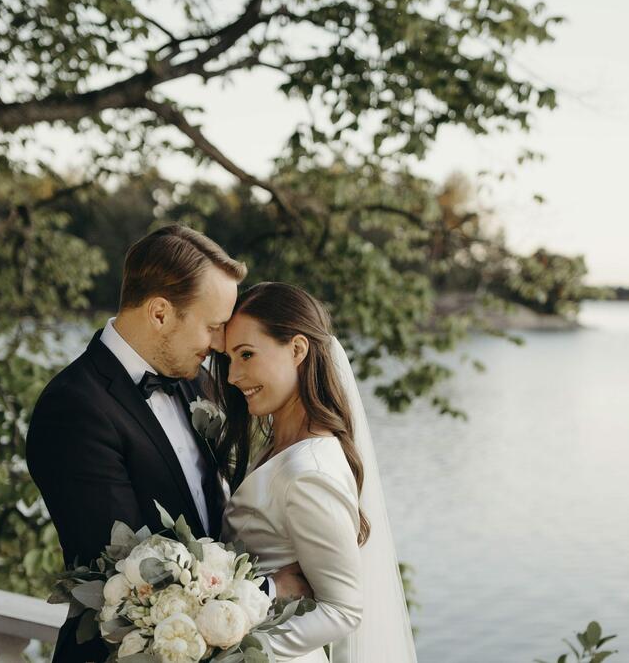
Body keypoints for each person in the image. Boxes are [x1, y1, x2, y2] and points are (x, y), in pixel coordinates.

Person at [26, 226, 309, 662]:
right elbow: (132, 574)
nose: (220, 345)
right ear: (160, 313)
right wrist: (271, 590)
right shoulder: (74, 408)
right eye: (213, 327)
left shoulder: (195, 380)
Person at [218, 282, 418, 663]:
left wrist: (232, 655)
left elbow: (343, 610)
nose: (232, 376)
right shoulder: (281, 446)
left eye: (246, 355)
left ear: (297, 349)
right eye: (229, 358)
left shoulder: (309, 471)